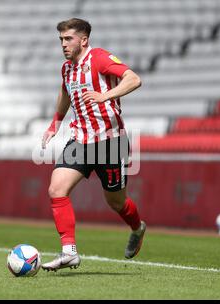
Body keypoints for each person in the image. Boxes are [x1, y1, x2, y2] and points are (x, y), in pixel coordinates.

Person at [41, 18, 146, 272]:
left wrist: (105, 95)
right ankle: (69, 252)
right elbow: (65, 93)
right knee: (56, 189)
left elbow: (134, 79)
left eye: (68, 39)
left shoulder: (99, 58)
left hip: (110, 143)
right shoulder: (67, 69)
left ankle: (137, 227)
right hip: (81, 140)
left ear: (83, 40)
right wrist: (55, 122)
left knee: (116, 202)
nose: (64, 45)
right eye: (61, 40)